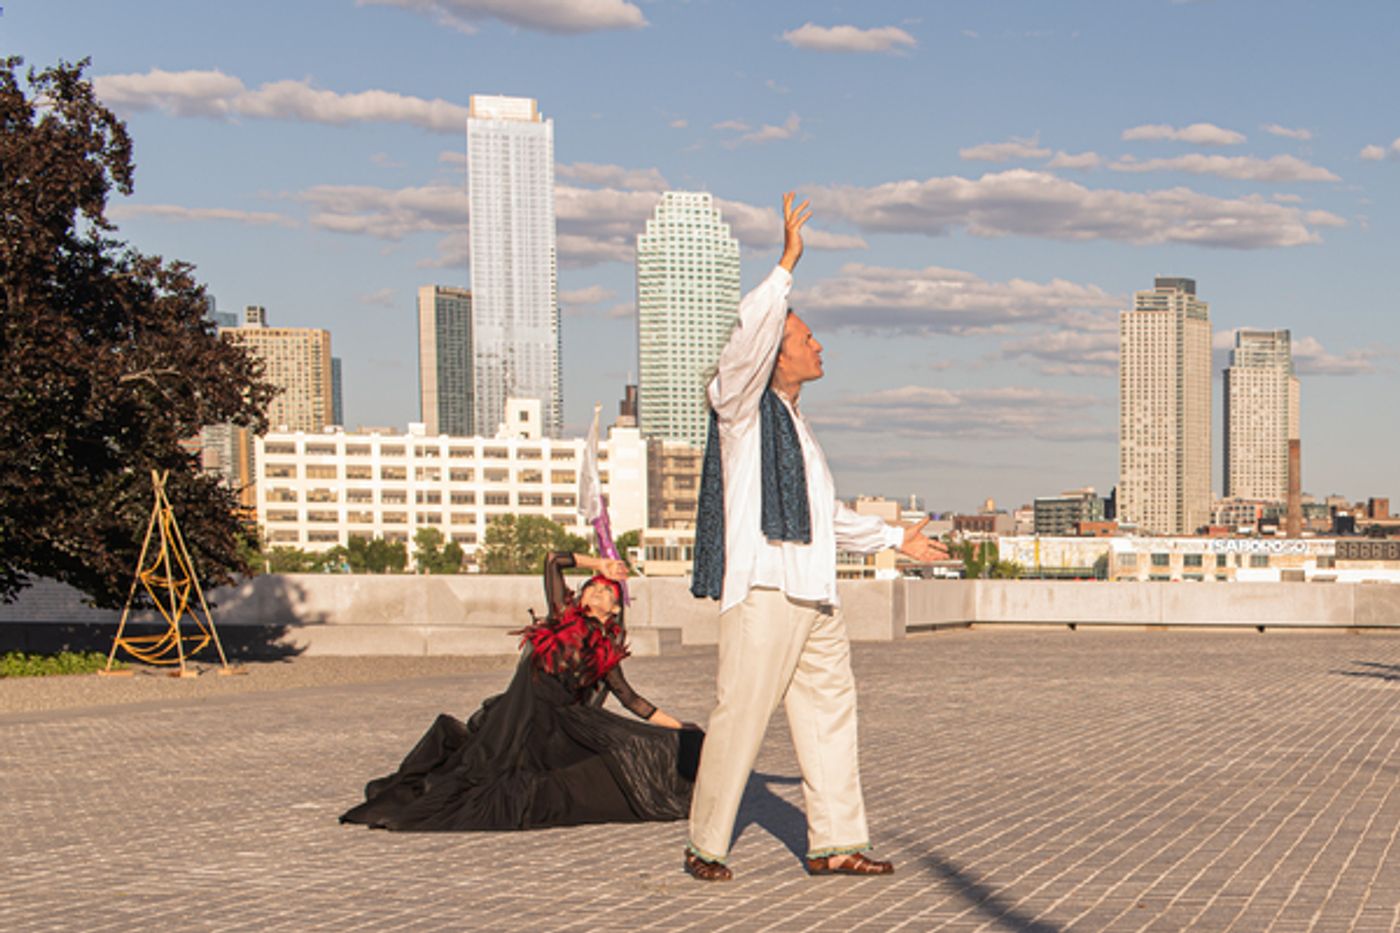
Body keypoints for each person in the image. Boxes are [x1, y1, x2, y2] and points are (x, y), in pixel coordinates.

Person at [683, 192, 950, 881]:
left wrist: (897, 539)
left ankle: (835, 841)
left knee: (831, 714)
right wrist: (786, 265)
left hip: (814, 590)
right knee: (740, 714)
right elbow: (745, 341)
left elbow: (826, 515)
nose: (818, 344)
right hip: (765, 588)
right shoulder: (742, 409)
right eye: (806, 339)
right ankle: (705, 842)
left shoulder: (799, 431)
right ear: (777, 355)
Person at [341, 552, 701, 832]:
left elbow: (632, 701)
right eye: (592, 585)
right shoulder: (562, 615)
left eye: (606, 591)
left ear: (615, 608)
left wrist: (679, 727)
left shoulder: (606, 655)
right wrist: (601, 563)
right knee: (479, 767)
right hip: (520, 708)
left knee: (520, 779)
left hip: (555, 723)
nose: (597, 590)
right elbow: (553, 561)